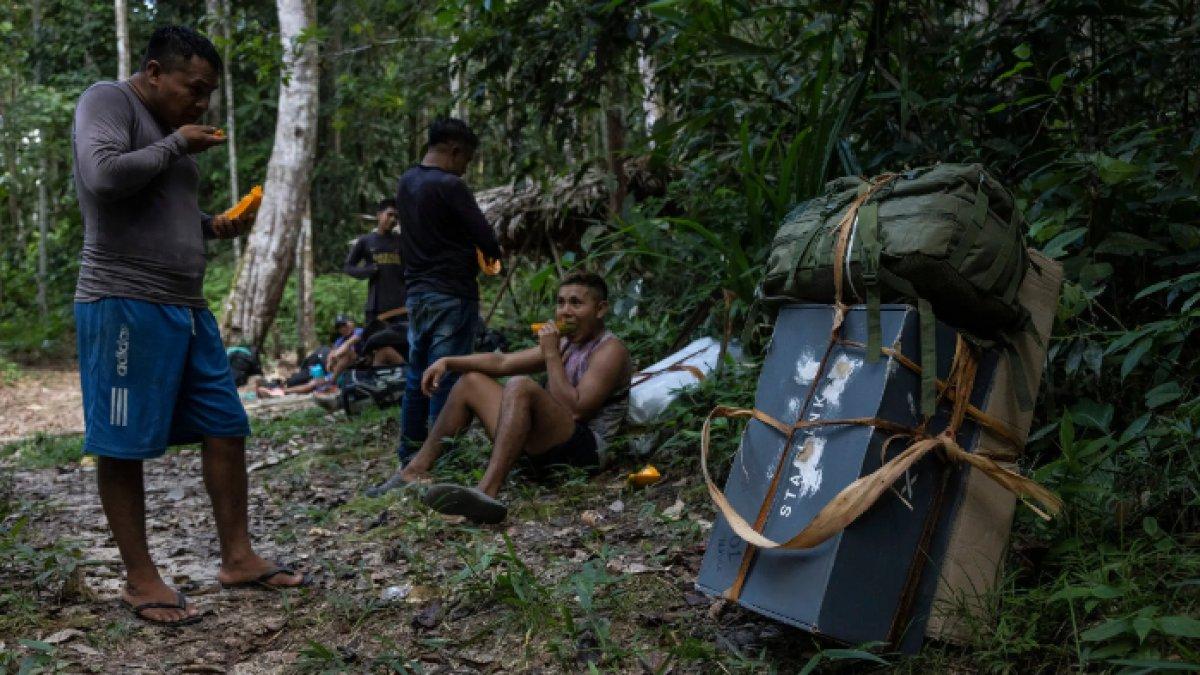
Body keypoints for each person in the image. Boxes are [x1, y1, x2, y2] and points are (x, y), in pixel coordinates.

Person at [71, 26, 305, 627]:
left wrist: (212, 225)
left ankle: (238, 556)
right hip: (122, 300)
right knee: (123, 444)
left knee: (226, 425)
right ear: (154, 72)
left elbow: (154, 200)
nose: (201, 104)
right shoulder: (108, 100)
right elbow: (102, 178)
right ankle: (140, 578)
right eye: (193, 88)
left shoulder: (170, 133)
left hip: (188, 306)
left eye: (208, 94)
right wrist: (175, 143)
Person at [370, 273, 632, 524]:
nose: (565, 311)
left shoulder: (610, 350)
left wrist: (550, 354)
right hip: (547, 446)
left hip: (586, 451)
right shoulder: (564, 343)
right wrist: (448, 362)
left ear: (600, 309)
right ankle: (414, 470)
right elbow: (503, 361)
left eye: (576, 303)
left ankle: (486, 491)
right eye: (561, 302)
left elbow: (576, 411)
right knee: (471, 381)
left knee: (520, 386)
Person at [376, 118, 502, 481]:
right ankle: (440, 461)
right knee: (447, 375)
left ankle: (409, 456)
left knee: (419, 375)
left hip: (417, 294)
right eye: (466, 159)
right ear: (454, 150)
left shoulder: (406, 182)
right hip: (451, 292)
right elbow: (486, 238)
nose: (465, 167)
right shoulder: (451, 186)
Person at [344, 197, 409, 359]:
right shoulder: (365, 241)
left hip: (401, 306)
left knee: (403, 344)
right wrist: (367, 271)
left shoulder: (401, 242)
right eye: (390, 215)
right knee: (375, 344)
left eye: (396, 217)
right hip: (376, 306)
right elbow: (348, 267)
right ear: (379, 215)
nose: (393, 220)